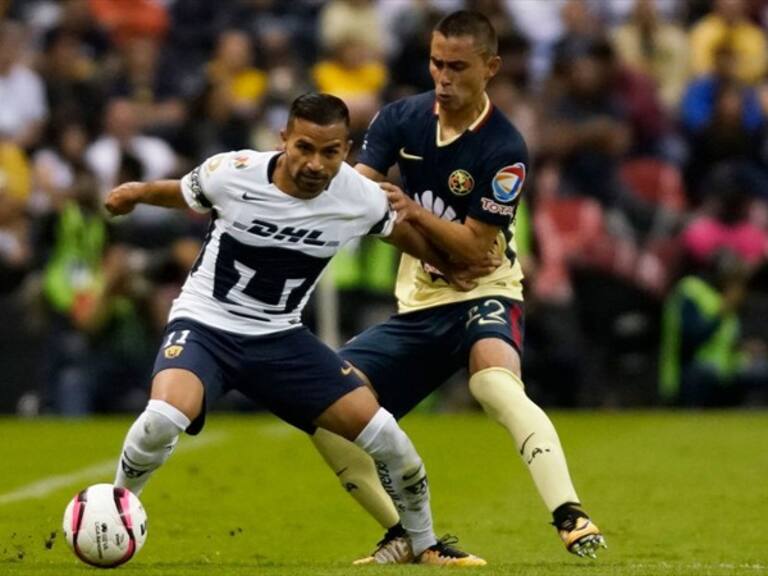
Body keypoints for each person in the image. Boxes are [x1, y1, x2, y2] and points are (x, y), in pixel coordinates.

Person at [104, 93, 487, 566]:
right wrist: (137, 193)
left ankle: (424, 544)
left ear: (347, 150)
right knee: (162, 419)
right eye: (304, 147)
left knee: (388, 437)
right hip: (206, 324)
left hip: (279, 339)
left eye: (330, 152)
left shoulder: (360, 197)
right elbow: (184, 193)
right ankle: (113, 512)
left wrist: (447, 262)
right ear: (284, 139)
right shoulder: (233, 171)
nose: (314, 163)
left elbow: (402, 235)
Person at [309, 11, 607, 564]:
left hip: (486, 291)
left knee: (494, 385)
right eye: (436, 63)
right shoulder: (401, 119)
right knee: (323, 407)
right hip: (420, 301)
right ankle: (404, 534)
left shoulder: (503, 147)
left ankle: (569, 512)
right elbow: (358, 200)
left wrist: (410, 213)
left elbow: (475, 252)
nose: (443, 78)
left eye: (457, 67)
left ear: (490, 67)